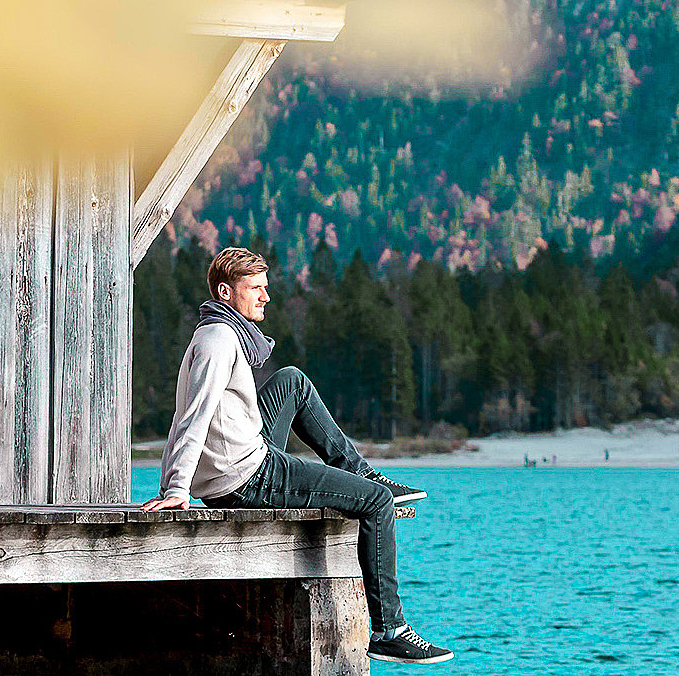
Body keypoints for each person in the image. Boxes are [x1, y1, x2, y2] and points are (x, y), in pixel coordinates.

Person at [142, 246, 452, 665]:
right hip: (249, 476)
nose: (265, 297)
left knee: (291, 382)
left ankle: (362, 472)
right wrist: (176, 488)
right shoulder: (217, 341)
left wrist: (175, 483)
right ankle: (389, 632)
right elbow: (191, 415)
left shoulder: (223, 331)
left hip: (244, 454)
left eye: (266, 288)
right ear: (225, 292)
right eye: (255, 288)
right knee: (376, 504)